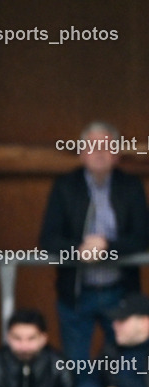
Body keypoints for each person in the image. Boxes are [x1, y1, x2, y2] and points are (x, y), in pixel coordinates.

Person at [38, 121, 149, 367]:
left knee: (126, 365)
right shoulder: (65, 186)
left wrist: (106, 246)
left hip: (120, 291)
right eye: (92, 146)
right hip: (77, 293)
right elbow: (48, 239)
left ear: (117, 154)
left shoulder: (131, 186)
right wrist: (79, 250)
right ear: (81, 153)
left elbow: (142, 237)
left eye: (106, 146)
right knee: (77, 367)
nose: (99, 152)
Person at [74, 294, 149, 387]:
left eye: (122, 320)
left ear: (144, 323)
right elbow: (88, 381)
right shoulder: (110, 351)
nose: (114, 325)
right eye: (114, 320)